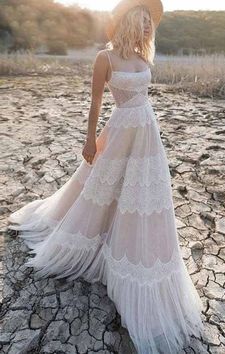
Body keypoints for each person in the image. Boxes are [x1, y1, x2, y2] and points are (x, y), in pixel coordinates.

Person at [7, 0, 204, 353]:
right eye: (141, 20)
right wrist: (88, 139)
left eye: (150, 22)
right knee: (102, 188)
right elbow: (96, 102)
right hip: (120, 128)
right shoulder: (105, 58)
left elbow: (144, 97)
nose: (147, 27)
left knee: (142, 196)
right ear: (127, 21)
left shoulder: (144, 58)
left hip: (146, 134)